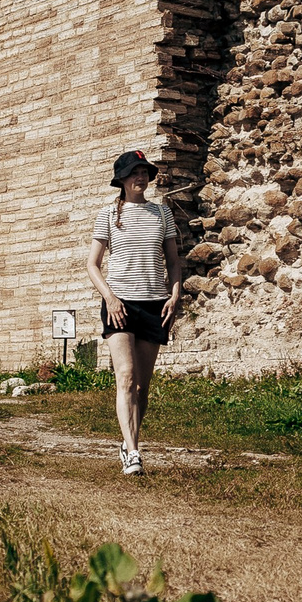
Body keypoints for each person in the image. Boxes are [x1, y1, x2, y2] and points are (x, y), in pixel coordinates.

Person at [86, 149, 181, 475]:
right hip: (120, 305)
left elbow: (172, 261)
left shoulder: (162, 214)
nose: (140, 177)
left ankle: (128, 445)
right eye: (133, 173)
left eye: (144, 172)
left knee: (142, 386)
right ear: (122, 180)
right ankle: (134, 452)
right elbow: (92, 264)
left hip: (155, 304)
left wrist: (175, 291)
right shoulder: (108, 215)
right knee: (125, 377)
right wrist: (110, 298)